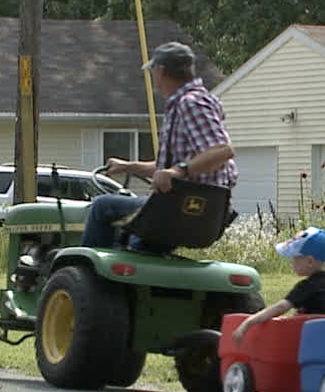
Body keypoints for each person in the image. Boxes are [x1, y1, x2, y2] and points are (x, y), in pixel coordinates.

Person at [81, 41, 237, 249]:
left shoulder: (190, 103)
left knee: (102, 206)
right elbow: (170, 168)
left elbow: (222, 151)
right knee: (127, 237)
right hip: (197, 209)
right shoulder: (194, 102)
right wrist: (129, 167)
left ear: (160, 71)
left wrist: (176, 172)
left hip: (178, 208)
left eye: (152, 71)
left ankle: (85, 274)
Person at [231, 227, 325, 344]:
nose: (291, 261)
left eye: (295, 257)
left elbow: (280, 308)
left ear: (310, 261)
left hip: (309, 342)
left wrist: (248, 322)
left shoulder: (308, 286)